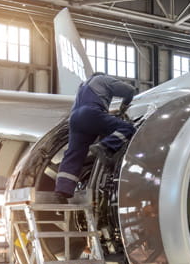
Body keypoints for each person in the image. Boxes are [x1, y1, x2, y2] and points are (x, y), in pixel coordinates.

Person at [55, 72, 136, 201]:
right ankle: (105, 147)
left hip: (75, 119)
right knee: (127, 128)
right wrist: (123, 107)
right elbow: (129, 90)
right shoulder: (102, 79)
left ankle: (62, 191)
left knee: (74, 154)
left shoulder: (82, 86)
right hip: (91, 113)